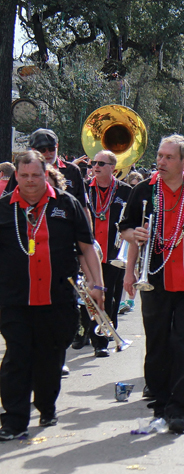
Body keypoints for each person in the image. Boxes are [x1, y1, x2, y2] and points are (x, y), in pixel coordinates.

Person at [119, 135, 184, 435]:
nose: (161, 162)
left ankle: (179, 408)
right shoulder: (144, 190)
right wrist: (133, 240)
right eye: (159, 156)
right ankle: (161, 403)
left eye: (168, 157)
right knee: (158, 342)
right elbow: (125, 228)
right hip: (154, 279)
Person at [0, 151, 103, 441]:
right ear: (16, 177)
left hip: (57, 298)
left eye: (36, 175)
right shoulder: (3, 209)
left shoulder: (67, 205)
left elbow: (86, 248)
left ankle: (46, 406)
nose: (30, 181)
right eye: (24, 176)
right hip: (14, 300)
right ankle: (14, 420)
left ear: (46, 174)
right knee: (17, 356)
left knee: (50, 358)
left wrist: (98, 285)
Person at [84, 150, 132, 357]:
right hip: (90, 253)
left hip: (114, 253)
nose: (96, 166)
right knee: (91, 294)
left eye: (101, 163)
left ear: (113, 167)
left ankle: (104, 333)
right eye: (94, 162)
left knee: (111, 295)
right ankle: (96, 336)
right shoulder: (85, 189)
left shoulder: (126, 191)